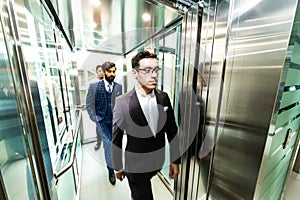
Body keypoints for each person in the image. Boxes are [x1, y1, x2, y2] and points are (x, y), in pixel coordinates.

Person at [112, 50, 180, 200]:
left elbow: (172, 130)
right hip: (136, 167)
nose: (154, 75)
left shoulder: (163, 97)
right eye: (147, 70)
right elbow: (116, 139)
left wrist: (175, 160)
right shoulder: (122, 102)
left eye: (156, 70)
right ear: (135, 73)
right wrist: (117, 167)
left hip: (157, 162)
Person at [86, 61, 122, 185]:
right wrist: (95, 118)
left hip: (115, 122)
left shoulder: (118, 87)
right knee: (108, 144)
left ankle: (116, 164)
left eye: (114, 71)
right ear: (104, 72)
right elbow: (89, 105)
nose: (112, 74)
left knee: (115, 144)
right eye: (110, 71)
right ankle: (111, 170)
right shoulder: (94, 87)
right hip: (101, 121)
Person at [93, 65, 105, 150]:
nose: (102, 73)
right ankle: (98, 142)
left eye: (103, 71)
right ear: (97, 72)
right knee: (98, 128)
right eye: (100, 71)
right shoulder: (93, 84)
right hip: (98, 111)